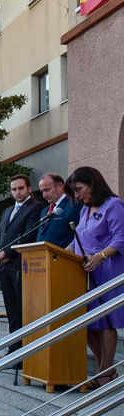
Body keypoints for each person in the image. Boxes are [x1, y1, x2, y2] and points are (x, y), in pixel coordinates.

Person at [66, 166, 124, 388]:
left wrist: (100, 257)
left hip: (106, 270)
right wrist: (56, 255)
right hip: (85, 272)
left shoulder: (114, 205)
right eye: (75, 191)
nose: (78, 195)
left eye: (80, 189)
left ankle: (104, 371)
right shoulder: (85, 210)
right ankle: (106, 370)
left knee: (106, 321)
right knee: (89, 323)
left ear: (93, 184)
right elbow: (78, 240)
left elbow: (120, 239)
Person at [0, 174, 43, 372]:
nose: (17, 192)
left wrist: (6, 253)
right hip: (4, 268)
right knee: (12, 312)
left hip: (21, 266)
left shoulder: (36, 208)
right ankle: (13, 351)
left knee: (21, 312)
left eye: (21, 188)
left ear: (29, 188)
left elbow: (28, 236)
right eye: (14, 189)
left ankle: (21, 354)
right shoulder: (7, 211)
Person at [36, 173, 82, 248]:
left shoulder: (73, 205)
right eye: (42, 192)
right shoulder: (44, 211)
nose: (44, 195)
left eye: (47, 190)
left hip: (65, 253)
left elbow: (79, 235)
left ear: (60, 186)